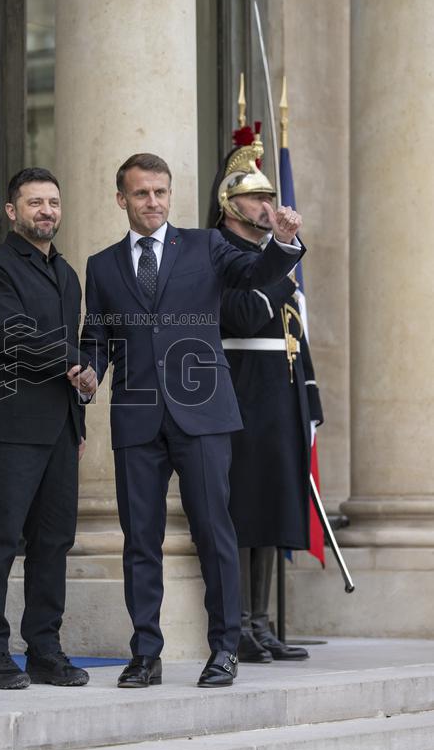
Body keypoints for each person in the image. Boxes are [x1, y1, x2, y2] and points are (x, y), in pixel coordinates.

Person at [81, 151, 303, 689]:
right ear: (122, 200)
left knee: (213, 531)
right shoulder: (103, 264)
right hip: (136, 415)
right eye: (141, 193)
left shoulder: (206, 246)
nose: (152, 202)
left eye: (160, 192)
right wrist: (89, 370)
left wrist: (283, 243)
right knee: (140, 539)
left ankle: (224, 650)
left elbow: (254, 274)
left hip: (202, 410)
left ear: (170, 194)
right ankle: (145, 654)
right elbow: (98, 334)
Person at [0, 166, 95, 690]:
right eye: (35, 203)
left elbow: (78, 340)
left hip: (60, 428)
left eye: (53, 203)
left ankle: (45, 650)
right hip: (13, 425)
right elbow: (11, 336)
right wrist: (72, 362)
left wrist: (81, 410)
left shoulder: (66, 274)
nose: (46, 211)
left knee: (53, 543)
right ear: (11, 211)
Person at [211, 126, 323, 663]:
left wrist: (311, 401)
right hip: (241, 389)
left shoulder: (270, 256)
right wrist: (281, 275)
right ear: (229, 202)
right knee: (245, 509)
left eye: (268, 197)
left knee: (276, 505)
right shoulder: (221, 250)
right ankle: (237, 625)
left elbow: (292, 329)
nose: (267, 205)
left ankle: (260, 621)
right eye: (256, 197)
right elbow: (242, 312)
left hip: (280, 394)